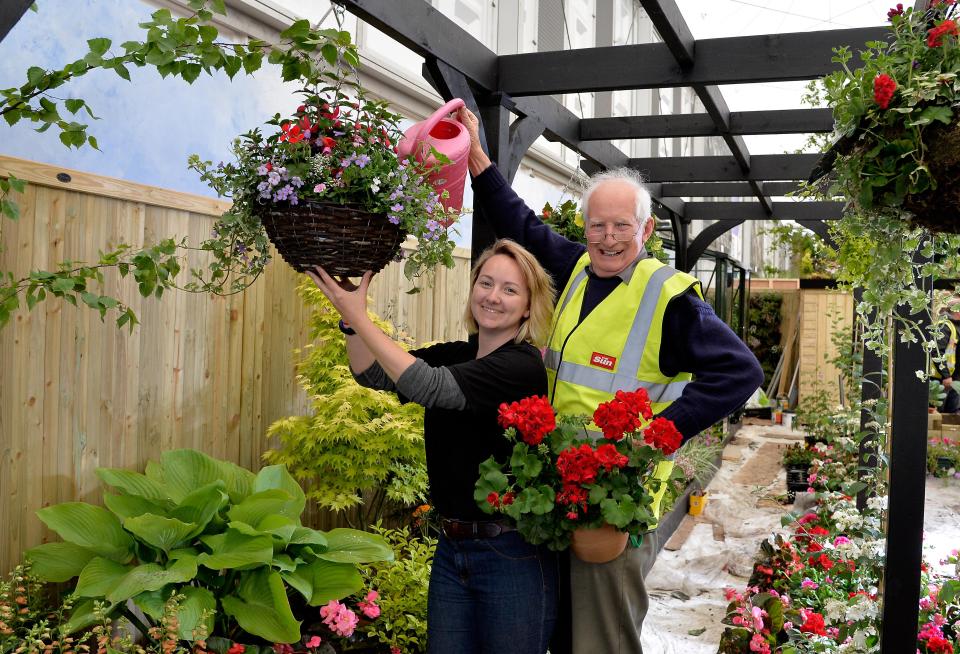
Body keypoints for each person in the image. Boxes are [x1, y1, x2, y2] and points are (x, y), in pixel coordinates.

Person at [456, 107, 764, 654]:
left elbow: (741, 372)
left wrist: (655, 437)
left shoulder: (669, 298)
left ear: (645, 229)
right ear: (585, 227)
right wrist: (478, 158)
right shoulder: (577, 267)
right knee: (562, 632)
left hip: (612, 502)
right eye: (597, 224)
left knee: (600, 641)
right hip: (560, 490)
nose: (608, 236)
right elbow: (521, 225)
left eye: (622, 225)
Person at [307, 239, 559, 654]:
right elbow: (372, 375)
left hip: (509, 555)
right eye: (486, 283)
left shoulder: (521, 366)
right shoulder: (457, 354)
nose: (493, 297)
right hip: (452, 549)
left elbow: (429, 386)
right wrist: (349, 321)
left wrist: (360, 315)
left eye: (510, 289)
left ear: (529, 307)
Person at [933, 298, 960, 414]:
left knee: (952, 414)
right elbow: (937, 351)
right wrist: (946, 376)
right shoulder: (944, 326)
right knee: (939, 415)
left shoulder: (955, 326)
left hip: (952, 379)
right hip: (941, 380)